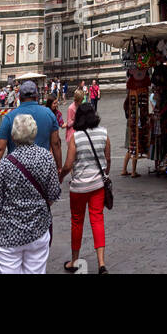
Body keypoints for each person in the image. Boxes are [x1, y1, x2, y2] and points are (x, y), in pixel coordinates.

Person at [0, 113, 61, 274]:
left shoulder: (5, 164)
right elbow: (54, 193)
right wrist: (39, 205)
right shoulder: (46, 158)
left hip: (8, 234)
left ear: (13, 136)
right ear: (34, 133)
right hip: (38, 229)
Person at [0, 79, 61, 196]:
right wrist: (59, 167)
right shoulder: (49, 114)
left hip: (15, 170)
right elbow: (56, 143)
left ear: (19, 97)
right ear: (37, 96)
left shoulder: (10, 117)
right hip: (42, 169)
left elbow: (0, 149)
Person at [60, 99, 111, 274]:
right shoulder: (104, 133)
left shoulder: (76, 137)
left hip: (79, 187)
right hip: (97, 185)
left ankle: (75, 261)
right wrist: (105, 174)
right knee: (97, 220)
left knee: (77, 222)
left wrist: (60, 177)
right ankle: (101, 263)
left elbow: (68, 165)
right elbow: (108, 160)